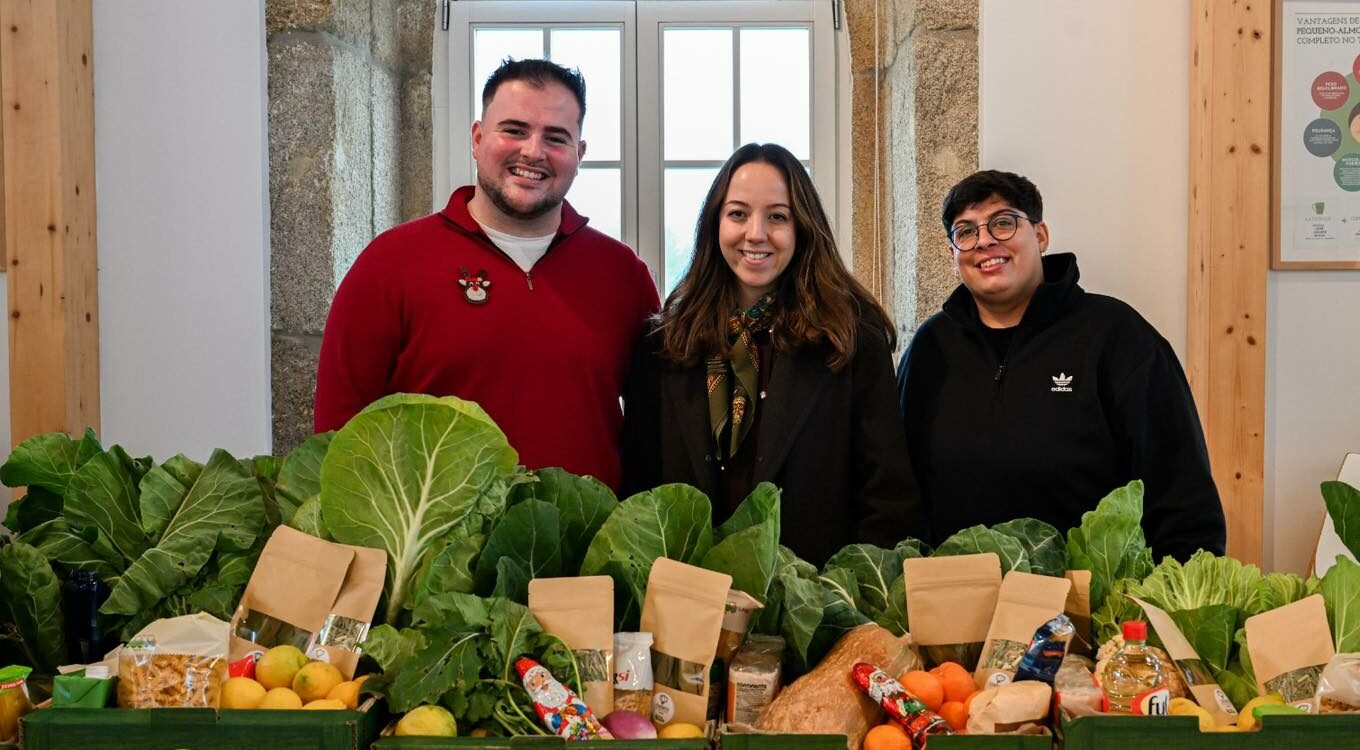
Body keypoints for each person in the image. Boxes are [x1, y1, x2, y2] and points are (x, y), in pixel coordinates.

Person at [314, 59, 659, 491]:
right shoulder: (390, 264)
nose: (533, 152)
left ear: (579, 154)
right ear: (477, 139)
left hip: (591, 552)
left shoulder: (623, 276)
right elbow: (337, 437)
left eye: (556, 137)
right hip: (432, 551)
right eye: (514, 130)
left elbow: (658, 434)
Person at [897, 170, 1225, 562]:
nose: (984, 240)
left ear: (1040, 236)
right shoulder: (931, 348)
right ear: (954, 255)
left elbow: (1180, 490)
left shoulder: (1116, 336)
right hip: (960, 599)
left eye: (1003, 223)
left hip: (1092, 605)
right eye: (965, 231)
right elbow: (901, 486)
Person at [621, 143, 923, 564]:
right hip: (692, 599)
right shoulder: (666, 342)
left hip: (818, 599)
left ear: (802, 227)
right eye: (738, 213)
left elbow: (887, 494)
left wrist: (853, 600)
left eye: (777, 216)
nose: (756, 233)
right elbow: (640, 489)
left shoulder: (851, 335)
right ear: (715, 224)